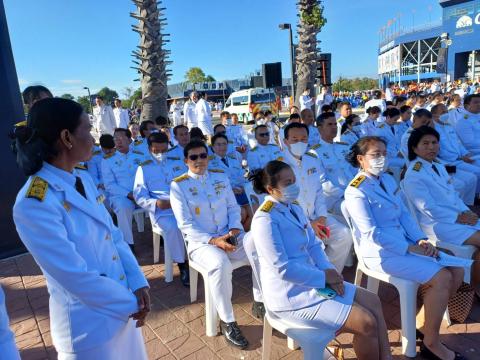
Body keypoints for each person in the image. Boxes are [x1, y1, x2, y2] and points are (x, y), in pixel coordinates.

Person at [12, 98, 149, 359]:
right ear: (67, 137)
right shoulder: (34, 203)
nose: (95, 137)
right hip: (89, 329)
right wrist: (133, 302)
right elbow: (75, 277)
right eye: (88, 129)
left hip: (123, 312)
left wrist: (138, 281)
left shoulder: (82, 178)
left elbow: (114, 236)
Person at [249, 161, 391, 360]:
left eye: (294, 181)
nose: (294, 186)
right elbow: (283, 269)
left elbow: (314, 246)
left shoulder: (293, 207)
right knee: (366, 322)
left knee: (373, 301)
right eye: (287, 183)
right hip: (291, 297)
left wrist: (330, 272)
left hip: (314, 284)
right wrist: (324, 277)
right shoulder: (265, 219)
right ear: (271, 189)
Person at [344, 136, 465, 360]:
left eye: (383, 153)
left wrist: (420, 239)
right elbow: (372, 234)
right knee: (441, 277)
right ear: (361, 159)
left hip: (405, 244)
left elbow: (405, 215)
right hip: (381, 253)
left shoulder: (387, 180)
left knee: (457, 271)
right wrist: (410, 248)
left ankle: (422, 325)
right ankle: (432, 343)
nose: (381, 158)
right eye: (375, 154)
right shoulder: (355, 191)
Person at [169, 140, 262, 349]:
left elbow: (232, 207)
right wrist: (213, 241)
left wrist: (236, 229)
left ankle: (260, 300)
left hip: (229, 236)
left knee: (258, 241)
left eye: (203, 155)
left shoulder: (221, 177)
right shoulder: (179, 185)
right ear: (186, 160)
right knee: (220, 264)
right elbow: (185, 224)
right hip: (201, 244)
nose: (199, 160)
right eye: (193, 157)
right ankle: (228, 321)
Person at [403, 126, 480, 296]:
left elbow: (453, 196)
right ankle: (475, 287)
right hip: (437, 225)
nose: (431, 147)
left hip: (456, 218)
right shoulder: (414, 174)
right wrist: (459, 217)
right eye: (425, 143)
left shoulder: (436, 165)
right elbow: (428, 208)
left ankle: (475, 284)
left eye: (434, 142)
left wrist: (467, 212)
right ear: (414, 148)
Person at [282, 123, 353, 272]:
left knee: (344, 235)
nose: (299, 143)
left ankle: (329, 274)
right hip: (293, 222)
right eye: (294, 139)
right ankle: (314, 277)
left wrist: (321, 216)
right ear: (286, 141)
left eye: (303, 139)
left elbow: (319, 192)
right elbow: (285, 201)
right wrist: (308, 223)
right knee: (312, 245)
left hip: (316, 217)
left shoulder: (311, 160)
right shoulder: (280, 165)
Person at [133, 132, 189, 286]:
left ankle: (199, 257)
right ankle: (182, 264)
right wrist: (156, 203)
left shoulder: (177, 162)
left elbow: (188, 182)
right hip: (162, 211)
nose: (161, 154)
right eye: (156, 151)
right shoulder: (143, 169)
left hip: (183, 205)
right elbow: (139, 196)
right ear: (150, 149)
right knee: (173, 227)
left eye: (164, 150)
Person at [102, 128, 147, 252]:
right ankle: (128, 245)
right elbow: (110, 185)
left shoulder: (141, 156)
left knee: (160, 201)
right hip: (122, 196)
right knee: (122, 207)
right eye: (115, 139)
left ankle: (163, 237)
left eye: (121, 138)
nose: (118, 141)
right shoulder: (107, 160)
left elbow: (148, 176)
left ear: (129, 139)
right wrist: (128, 194)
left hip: (142, 194)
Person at [314, 112, 357, 215]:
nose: (334, 127)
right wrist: (347, 194)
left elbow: (355, 170)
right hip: (335, 199)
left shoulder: (344, 147)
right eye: (329, 124)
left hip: (354, 192)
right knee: (355, 208)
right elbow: (323, 182)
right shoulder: (315, 153)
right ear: (320, 129)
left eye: (334, 124)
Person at [209, 134, 253, 231]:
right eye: (218, 144)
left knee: (254, 211)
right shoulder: (209, 163)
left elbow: (242, 176)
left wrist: (244, 187)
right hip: (225, 197)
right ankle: (238, 239)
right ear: (213, 147)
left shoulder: (233, 159)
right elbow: (212, 185)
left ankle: (244, 237)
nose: (222, 147)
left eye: (224, 144)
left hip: (242, 193)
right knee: (241, 214)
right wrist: (230, 190)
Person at [374, 108, 405, 175]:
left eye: (397, 119)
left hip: (398, 155)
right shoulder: (380, 130)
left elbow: (398, 142)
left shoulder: (395, 126)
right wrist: (396, 153)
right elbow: (379, 148)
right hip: (388, 158)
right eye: (395, 119)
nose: (396, 121)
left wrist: (401, 152)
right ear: (388, 117)